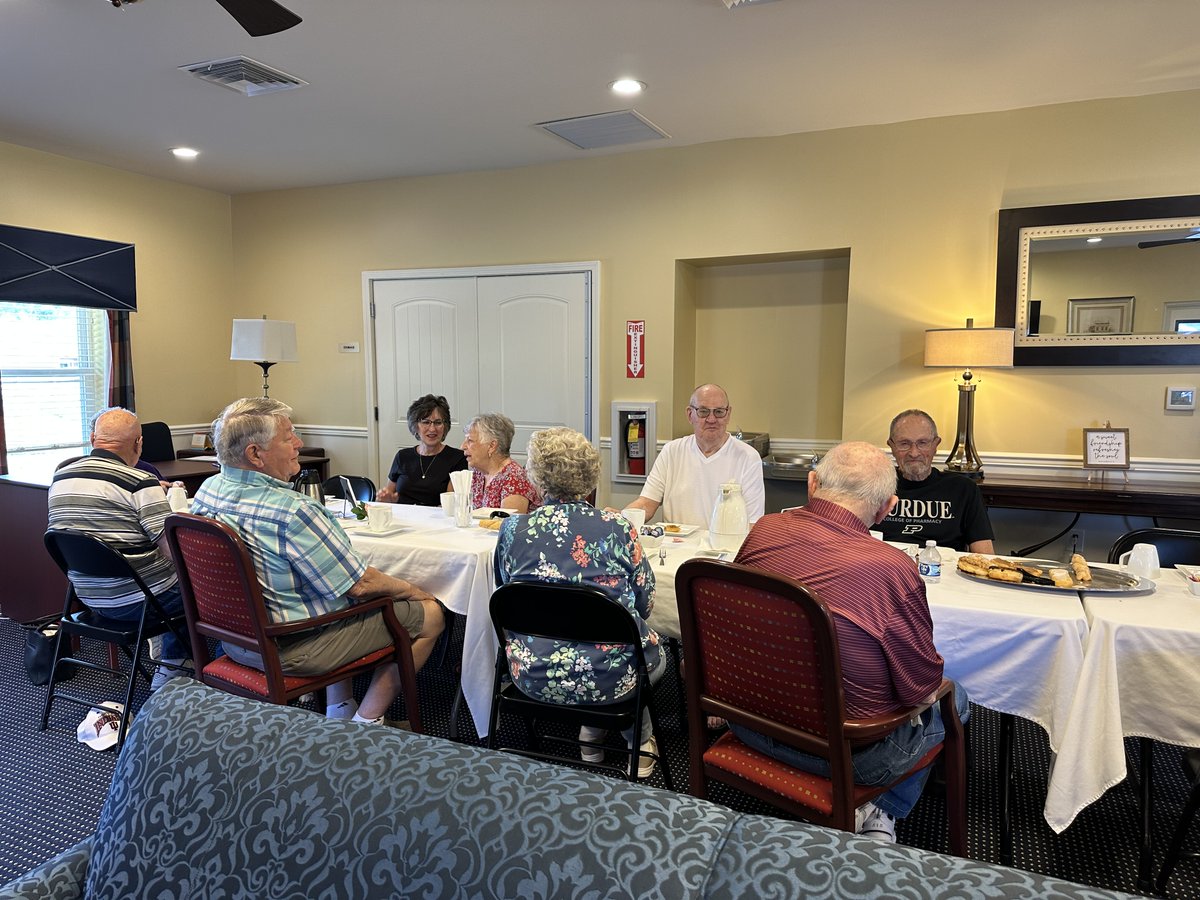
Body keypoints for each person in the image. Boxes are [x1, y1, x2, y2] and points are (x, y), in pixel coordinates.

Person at [733, 440, 970, 844]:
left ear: (812, 484)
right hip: (850, 757)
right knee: (956, 695)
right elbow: (922, 690)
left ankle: (866, 808)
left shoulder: (764, 530)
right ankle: (881, 807)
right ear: (886, 508)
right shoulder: (892, 569)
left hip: (751, 725)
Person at [191, 397, 444, 725]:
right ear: (255, 454)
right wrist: (414, 590)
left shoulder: (207, 492)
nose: (299, 443)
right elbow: (361, 584)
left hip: (234, 640)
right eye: (288, 437)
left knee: (329, 595)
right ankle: (367, 723)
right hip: (294, 649)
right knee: (432, 615)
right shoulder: (294, 510)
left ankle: (340, 709)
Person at [494, 427, 663, 777]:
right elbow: (644, 603)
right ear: (589, 477)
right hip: (610, 676)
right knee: (646, 651)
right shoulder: (617, 528)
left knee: (612, 639)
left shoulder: (512, 530)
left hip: (532, 673)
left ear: (537, 477)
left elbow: (505, 591)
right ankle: (638, 740)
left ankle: (591, 731)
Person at [47, 407, 190, 687]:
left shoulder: (61, 477)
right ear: (138, 444)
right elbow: (170, 549)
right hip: (140, 603)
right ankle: (176, 664)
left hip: (89, 598)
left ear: (92, 439)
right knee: (198, 584)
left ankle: (175, 654)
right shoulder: (140, 481)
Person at [623, 383, 765, 527]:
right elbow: (646, 504)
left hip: (725, 548)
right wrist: (618, 520)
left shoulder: (748, 457)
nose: (711, 419)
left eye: (719, 412)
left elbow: (753, 524)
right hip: (674, 546)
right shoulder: (671, 451)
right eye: (703, 411)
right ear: (690, 414)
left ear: (728, 415)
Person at [878, 409, 995, 553]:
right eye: (904, 444)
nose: (914, 453)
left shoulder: (963, 489)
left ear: (936, 445)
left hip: (943, 570)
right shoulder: (875, 484)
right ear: (891, 446)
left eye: (922, 443)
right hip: (884, 569)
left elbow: (985, 554)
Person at [377, 393, 467, 506]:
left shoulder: (457, 458)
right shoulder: (402, 456)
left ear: (445, 427)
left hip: (436, 521)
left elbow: (451, 504)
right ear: (415, 426)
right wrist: (388, 499)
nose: (432, 429)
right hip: (402, 518)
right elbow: (389, 495)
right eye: (426, 422)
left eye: (438, 422)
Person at [461, 413, 540, 513]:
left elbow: (510, 525)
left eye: (470, 441)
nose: (462, 446)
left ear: (492, 446)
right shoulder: (478, 473)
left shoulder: (514, 478)